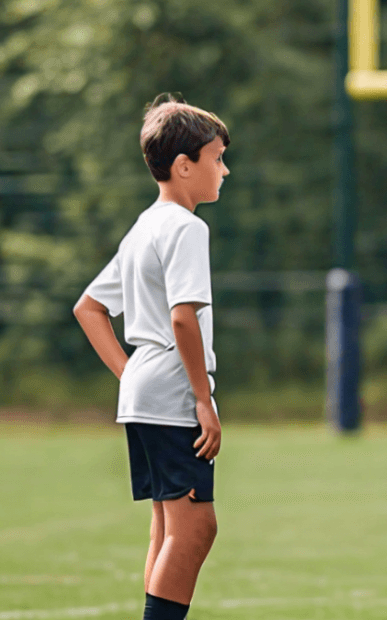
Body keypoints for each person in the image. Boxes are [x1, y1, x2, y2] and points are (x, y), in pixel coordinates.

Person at [73, 93, 230, 620]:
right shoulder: (187, 228)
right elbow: (184, 319)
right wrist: (203, 401)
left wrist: (130, 375)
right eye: (216, 159)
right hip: (171, 396)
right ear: (184, 166)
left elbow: (88, 308)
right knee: (195, 528)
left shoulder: (146, 225)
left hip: (144, 393)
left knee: (167, 528)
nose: (224, 170)